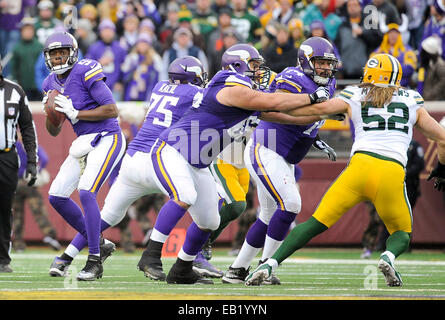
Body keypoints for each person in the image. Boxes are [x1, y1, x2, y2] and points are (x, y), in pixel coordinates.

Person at [245, 53, 445, 288]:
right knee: (402, 232)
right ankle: (388, 257)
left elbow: (311, 112)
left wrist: (268, 109)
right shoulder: (412, 98)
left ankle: (270, 264)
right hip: (391, 170)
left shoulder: (355, 93)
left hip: (359, 168)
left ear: (368, 74)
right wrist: (441, 167)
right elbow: (442, 139)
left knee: (315, 223)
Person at [141, 43, 332, 285]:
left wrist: (319, 116)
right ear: (237, 65)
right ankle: (151, 255)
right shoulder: (229, 86)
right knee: (185, 195)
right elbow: (273, 103)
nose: (258, 71)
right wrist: (311, 97)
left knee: (210, 220)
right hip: (174, 149)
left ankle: (182, 269)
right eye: (253, 65)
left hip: (198, 160)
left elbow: (280, 115)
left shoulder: (244, 96)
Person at [48, 56, 208, 280]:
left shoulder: (160, 87)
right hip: (161, 159)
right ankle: (181, 256)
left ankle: (67, 255)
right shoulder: (196, 93)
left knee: (107, 213)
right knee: (194, 200)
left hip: (132, 160)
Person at [222, 37, 339, 284]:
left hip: (282, 154)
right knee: (291, 204)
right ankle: (265, 267)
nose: (326, 69)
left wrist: (314, 137)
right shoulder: (292, 78)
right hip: (265, 148)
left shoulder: (329, 83)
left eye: (329, 64)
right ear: (306, 61)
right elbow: (276, 111)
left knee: (268, 214)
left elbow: (310, 118)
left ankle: (237, 269)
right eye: (320, 63)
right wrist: (321, 111)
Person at [42, 32, 126, 281]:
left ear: (73, 53)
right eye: (54, 55)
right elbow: (54, 131)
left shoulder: (85, 70)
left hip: (108, 137)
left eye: (62, 53)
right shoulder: (50, 83)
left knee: (87, 191)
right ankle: (99, 242)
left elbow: (112, 110)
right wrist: (52, 113)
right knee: (56, 196)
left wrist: (77, 112)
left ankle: (94, 259)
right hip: (84, 142)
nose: (58, 58)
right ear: (48, 58)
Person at [0, 57, 37, 273]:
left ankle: (3, 259)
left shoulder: (15, 91)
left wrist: (32, 161)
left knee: (4, 209)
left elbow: (28, 128)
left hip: (6, 156)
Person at [12, 141, 61, 252]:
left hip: (15, 183)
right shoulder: (32, 145)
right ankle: (50, 235)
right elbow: (45, 159)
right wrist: (37, 171)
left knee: (17, 215)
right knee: (39, 212)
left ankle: (18, 243)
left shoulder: (13, 146)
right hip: (30, 183)